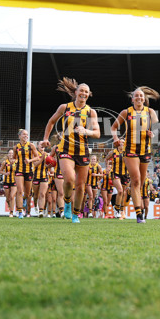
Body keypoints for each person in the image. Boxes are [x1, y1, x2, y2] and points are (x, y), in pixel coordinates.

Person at [41, 78, 100, 223]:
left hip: (83, 151)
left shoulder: (91, 112)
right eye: (81, 91)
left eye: (86, 92)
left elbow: (97, 133)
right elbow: (51, 121)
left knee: (80, 187)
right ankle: (67, 202)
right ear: (76, 92)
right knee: (69, 179)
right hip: (66, 148)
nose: (83, 94)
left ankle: (75, 214)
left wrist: (86, 131)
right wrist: (46, 138)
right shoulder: (65, 107)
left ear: (88, 94)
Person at [111, 86, 160, 224]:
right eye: (136, 96)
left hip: (145, 151)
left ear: (144, 99)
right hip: (130, 150)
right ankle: (139, 214)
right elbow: (114, 127)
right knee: (136, 180)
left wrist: (153, 133)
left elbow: (158, 127)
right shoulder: (126, 112)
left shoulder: (150, 112)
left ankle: (137, 211)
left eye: (141, 96)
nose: (139, 98)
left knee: (140, 182)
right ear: (132, 99)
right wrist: (115, 139)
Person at [12, 129, 39, 219]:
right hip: (19, 171)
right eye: (24, 134)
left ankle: (23, 200)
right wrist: (13, 162)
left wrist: (29, 160)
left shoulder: (31, 145)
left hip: (29, 171)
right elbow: (14, 158)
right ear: (19, 136)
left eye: (27, 134)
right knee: (19, 191)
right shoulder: (16, 147)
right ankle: (20, 211)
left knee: (27, 194)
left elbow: (37, 158)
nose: (26, 136)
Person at [0, 149, 17, 217]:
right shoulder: (5, 162)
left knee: (12, 196)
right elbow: (1, 171)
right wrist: (5, 173)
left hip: (14, 181)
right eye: (9, 153)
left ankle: (11, 212)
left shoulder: (17, 162)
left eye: (12, 153)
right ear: (7, 155)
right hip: (6, 181)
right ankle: (9, 205)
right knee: (8, 198)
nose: (11, 155)